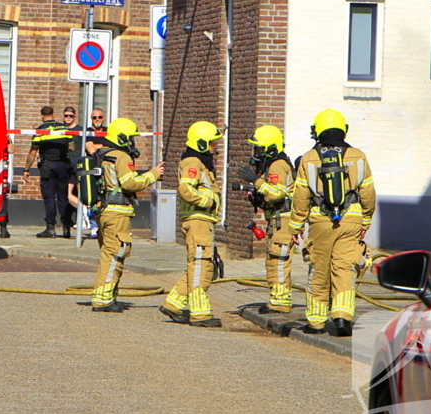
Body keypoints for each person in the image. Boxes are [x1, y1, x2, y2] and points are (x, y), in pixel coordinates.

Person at [288, 109, 376, 337]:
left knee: (319, 267)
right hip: (352, 219)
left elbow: (300, 195)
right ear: (343, 130)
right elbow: (367, 191)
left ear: (317, 131)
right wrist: (366, 218)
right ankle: (342, 318)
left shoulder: (308, 158)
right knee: (345, 268)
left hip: (320, 220)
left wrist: (296, 225)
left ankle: (316, 322)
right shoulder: (358, 155)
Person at [91, 117, 164, 312]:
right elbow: (130, 184)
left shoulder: (103, 154)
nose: (133, 143)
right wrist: (153, 174)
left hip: (103, 211)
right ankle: (103, 300)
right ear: (122, 138)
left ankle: (107, 296)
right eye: (131, 138)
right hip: (117, 213)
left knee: (108, 254)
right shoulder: (122, 157)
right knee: (115, 254)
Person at [159, 121, 224, 327]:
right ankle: (200, 314)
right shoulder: (193, 162)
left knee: (198, 265)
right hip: (198, 220)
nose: (215, 146)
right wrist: (208, 201)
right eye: (212, 143)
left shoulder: (199, 162)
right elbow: (186, 189)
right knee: (201, 268)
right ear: (202, 143)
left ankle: (173, 303)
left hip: (202, 221)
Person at [235, 125, 296, 314]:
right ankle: (277, 299)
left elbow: (276, 194)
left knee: (278, 259)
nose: (256, 154)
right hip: (276, 220)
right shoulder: (272, 165)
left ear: (271, 148)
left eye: (260, 149)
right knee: (273, 259)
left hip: (283, 221)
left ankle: (280, 302)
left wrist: (255, 180)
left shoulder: (277, 165)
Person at [22, 106, 73, 238]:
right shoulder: (64, 128)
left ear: (41, 116)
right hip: (63, 165)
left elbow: (32, 152)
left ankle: (50, 229)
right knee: (63, 197)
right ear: (53, 114)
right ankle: (66, 229)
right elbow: (72, 147)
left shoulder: (41, 130)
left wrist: (26, 169)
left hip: (47, 166)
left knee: (49, 197)